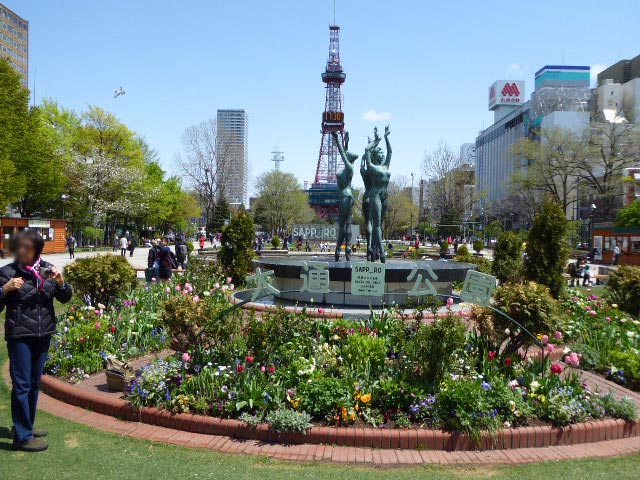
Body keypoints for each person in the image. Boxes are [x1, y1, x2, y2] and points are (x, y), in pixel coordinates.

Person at [1, 230, 73, 452]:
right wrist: (4, 289)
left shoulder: (48, 270)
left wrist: (61, 283)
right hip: (20, 336)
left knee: (34, 383)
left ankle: (26, 426)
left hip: (43, 334)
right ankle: (22, 437)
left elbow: (65, 297)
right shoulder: (7, 272)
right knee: (22, 385)